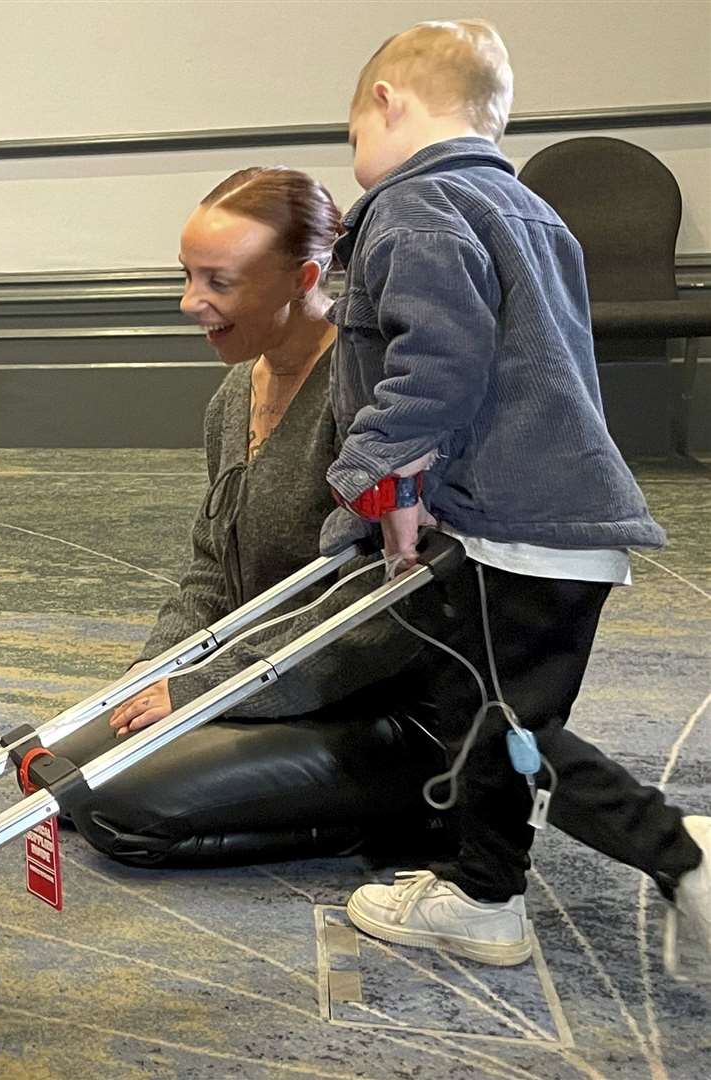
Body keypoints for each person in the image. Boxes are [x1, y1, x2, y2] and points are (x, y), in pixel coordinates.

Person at [324, 19, 709, 969]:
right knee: (488, 717)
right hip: (562, 516)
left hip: (509, 524)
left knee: (503, 725)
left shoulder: (415, 210)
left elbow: (437, 363)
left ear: (386, 103)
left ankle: (680, 853)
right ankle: (486, 897)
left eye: (352, 137)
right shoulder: (529, 209)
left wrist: (385, 477)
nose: (359, 158)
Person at [54, 166, 453, 867]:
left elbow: (384, 607)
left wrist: (205, 690)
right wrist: (156, 667)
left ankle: (404, 812)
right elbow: (210, 564)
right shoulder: (234, 394)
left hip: (365, 699)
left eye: (219, 282)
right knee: (59, 772)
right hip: (264, 672)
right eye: (186, 274)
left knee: (118, 807)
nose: (189, 302)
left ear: (303, 279)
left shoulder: (370, 403)